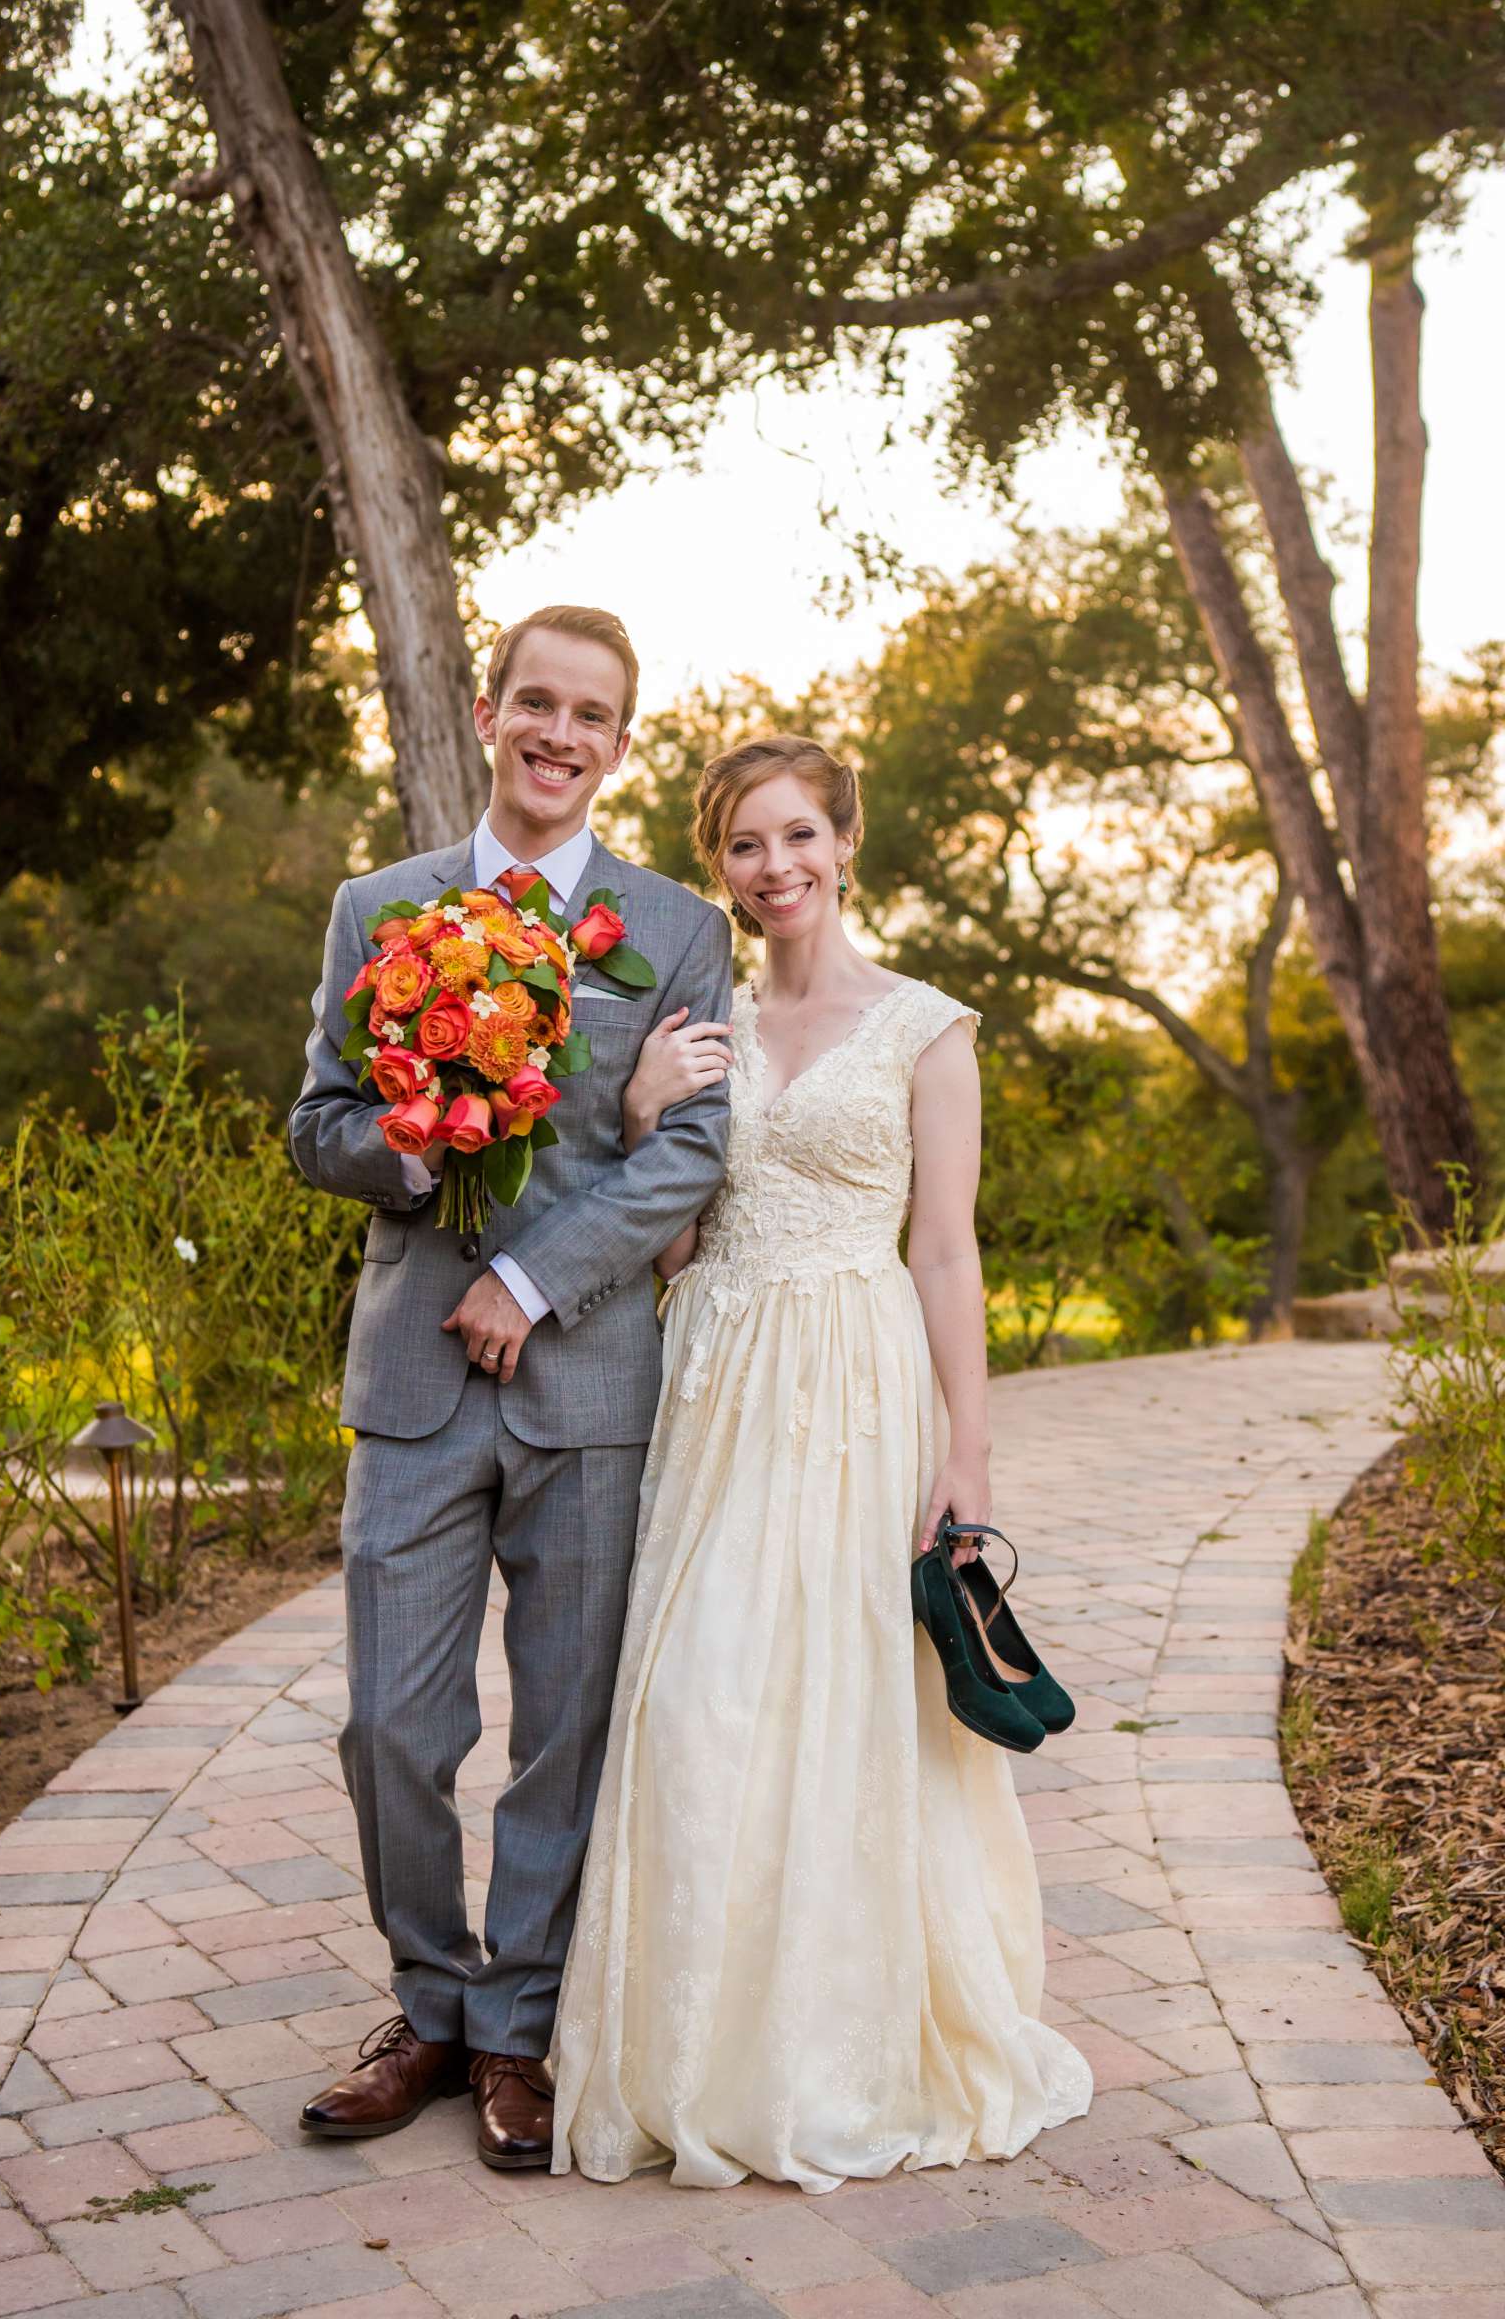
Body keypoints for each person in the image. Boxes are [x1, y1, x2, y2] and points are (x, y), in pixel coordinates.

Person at [552, 734, 1093, 2192]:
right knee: (704, 1698)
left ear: (846, 842)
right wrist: (642, 1117)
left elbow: (945, 1248)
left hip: (858, 1384)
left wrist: (967, 1464)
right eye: (743, 845)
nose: (774, 867)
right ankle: (693, 2050)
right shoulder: (700, 1021)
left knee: (848, 1707)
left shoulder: (926, 1026)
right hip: (716, 1382)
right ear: (716, 868)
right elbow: (669, 1245)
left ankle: (837, 2046)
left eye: (799, 836)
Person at [288, 606, 734, 2170]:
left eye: (591, 715)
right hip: (411, 1378)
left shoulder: (674, 931)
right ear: (489, 711)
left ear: (621, 744)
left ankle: (519, 2029)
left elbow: (689, 1150)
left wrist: (532, 1281)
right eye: (535, 702)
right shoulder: (381, 906)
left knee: (566, 1729)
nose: (560, 733)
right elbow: (316, 1126)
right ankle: (425, 2002)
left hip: (590, 1381)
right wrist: (412, 1140)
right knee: (390, 1732)